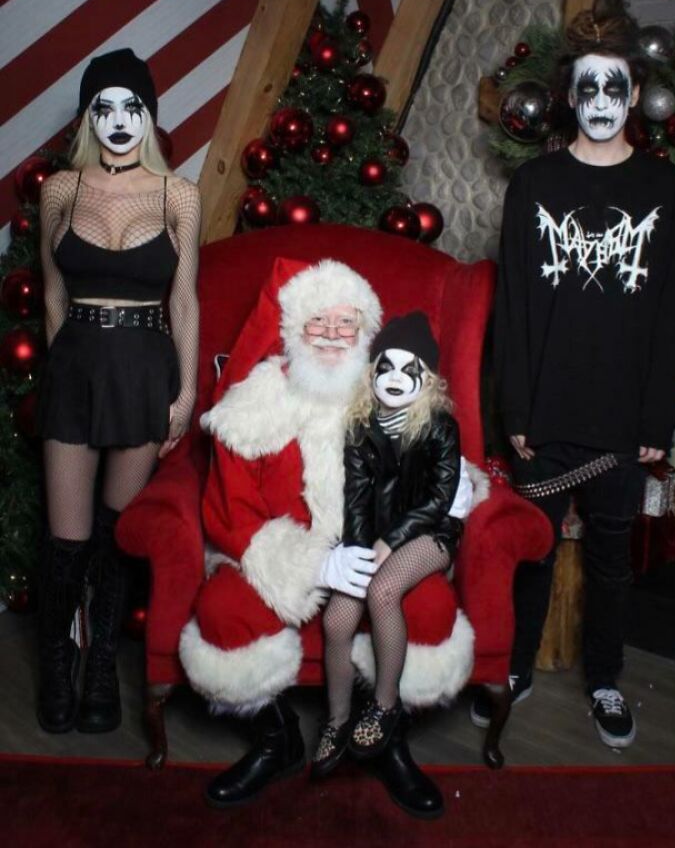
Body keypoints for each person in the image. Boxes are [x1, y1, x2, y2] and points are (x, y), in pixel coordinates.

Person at [179, 259, 481, 817]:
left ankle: (385, 735)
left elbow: (438, 472)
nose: (333, 335)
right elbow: (230, 511)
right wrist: (313, 566)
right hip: (281, 555)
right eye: (318, 321)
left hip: (380, 550)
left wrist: (389, 545)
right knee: (223, 610)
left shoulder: (390, 392)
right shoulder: (254, 405)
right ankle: (277, 739)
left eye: (347, 322)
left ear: (366, 331)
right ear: (292, 329)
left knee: (430, 607)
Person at [481, 0, 675, 749]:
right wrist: (514, 411)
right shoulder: (534, 187)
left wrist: (657, 417)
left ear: (635, 94)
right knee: (532, 553)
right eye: (587, 88)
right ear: (569, 97)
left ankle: (605, 679)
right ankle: (514, 668)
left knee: (610, 561)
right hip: (545, 412)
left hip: (623, 418)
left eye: (615, 87)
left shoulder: (666, 190)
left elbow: (673, 317)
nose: (601, 101)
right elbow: (512, 309)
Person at [37, 48, 201, 734]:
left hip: (142, 371)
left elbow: (184, 301)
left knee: (114, 536)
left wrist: (185, 394)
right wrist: (61, 365)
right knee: (66, 541)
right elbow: (51, 294)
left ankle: (102, 667)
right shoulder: (61, 190)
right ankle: (57, 667)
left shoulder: (177, 196)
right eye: (102, 107)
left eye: (131, 106)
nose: (118, 120)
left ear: (150, 116)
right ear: (87, 118)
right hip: (76, 369)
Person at [312, 312, 469, 794]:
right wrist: (359, 549)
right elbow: (356, 499)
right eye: (387, 365)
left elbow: (439, 499)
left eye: (410, 368)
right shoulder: (360, 426)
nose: (396, 377)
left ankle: (384, 706)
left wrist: (390, 542)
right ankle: (338, 720)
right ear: (372, 371)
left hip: (430, 533)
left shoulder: (440, 427)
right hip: (375, 534)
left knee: (382, 592)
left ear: (429, 378)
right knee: (337, 619)